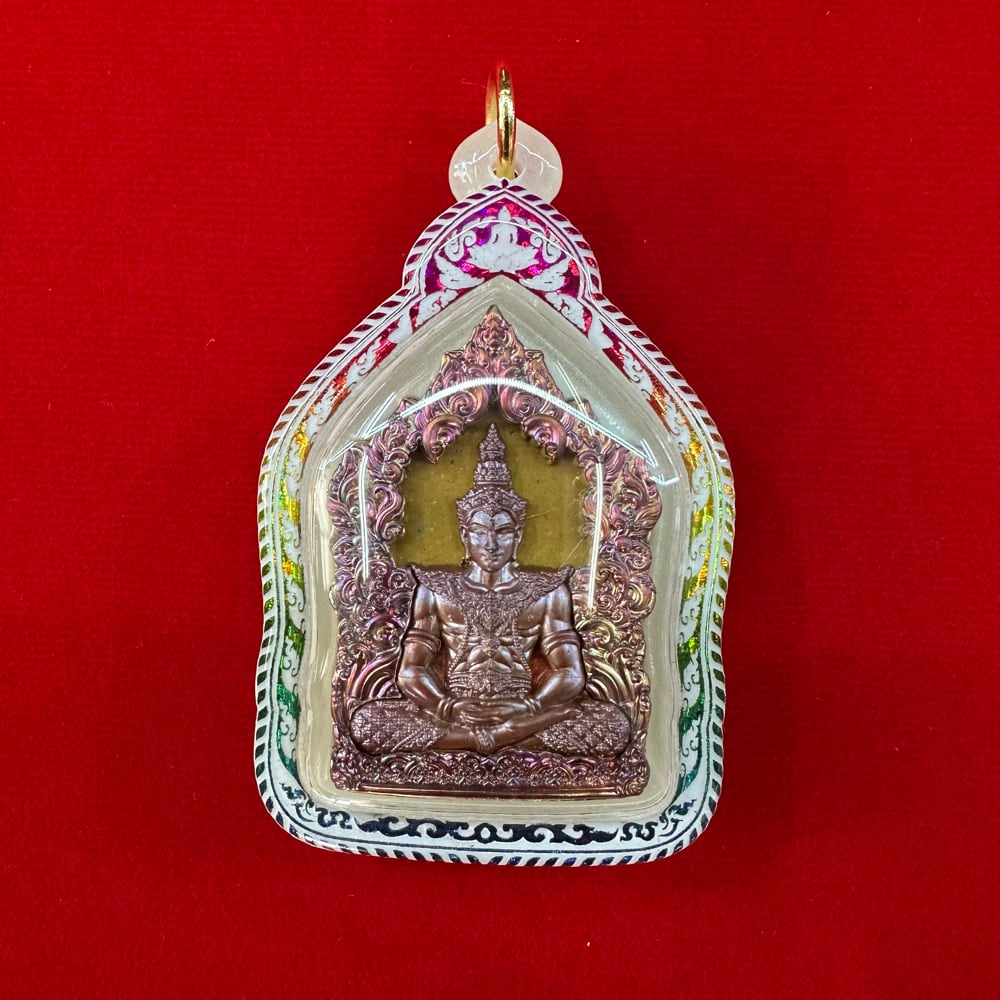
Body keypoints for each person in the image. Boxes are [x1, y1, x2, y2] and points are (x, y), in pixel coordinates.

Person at [349, 424, 631, 757]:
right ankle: (500, 737)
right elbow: (410, 670)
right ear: (465, 535)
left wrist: (530, 705)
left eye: (503, 532)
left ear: (518, 536)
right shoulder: (435, 588)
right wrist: (446, 706)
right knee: (366, 722)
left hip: (523, 708)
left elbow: (571, 673)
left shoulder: (548, 591)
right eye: (480, 531)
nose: (491, 543)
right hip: (456, 711)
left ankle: (480, 738)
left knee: (614, 724)